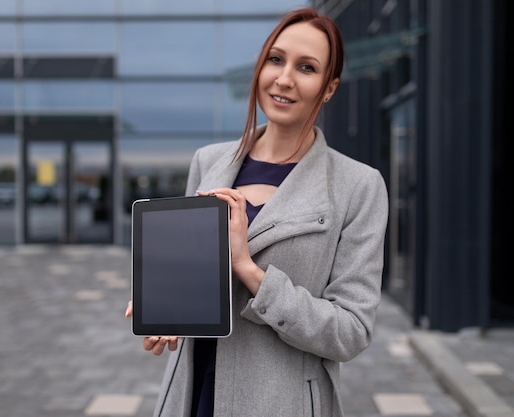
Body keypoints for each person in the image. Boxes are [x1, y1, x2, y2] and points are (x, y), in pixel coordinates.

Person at [126, 7, 388, 417]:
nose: (284, 79)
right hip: (192, 394)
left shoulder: (358, 185)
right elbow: (194, 280)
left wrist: (250, 271)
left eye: (306, 67)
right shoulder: (209, 161)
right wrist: (165, 304)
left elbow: (351, 331)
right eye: (276, 59)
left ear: (329, 87)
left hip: (281, 403)